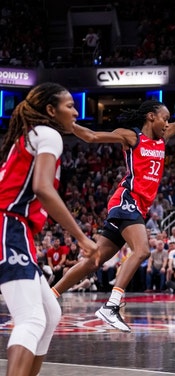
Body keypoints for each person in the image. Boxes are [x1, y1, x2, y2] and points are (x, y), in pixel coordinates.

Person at [51, 64, 175, 332]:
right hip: (127, 199)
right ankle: (111, 306)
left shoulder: (165, 138)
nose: (168, 123)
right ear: (151, 117)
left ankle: (50, 295)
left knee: (95, 260)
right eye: (165, 118)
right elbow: (91, 137)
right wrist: (68, 124)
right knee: (143, 250)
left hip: (139, 206)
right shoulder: (132, 137)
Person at [0, 82, 97, 376]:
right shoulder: (49, 134)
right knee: (30, 318)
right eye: (69, 105)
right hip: (7, 224)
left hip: (15, 227)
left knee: (50, 313)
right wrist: (81, 237)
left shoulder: (31, 135)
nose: (76, 111)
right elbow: (42, 188)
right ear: (51, 110)